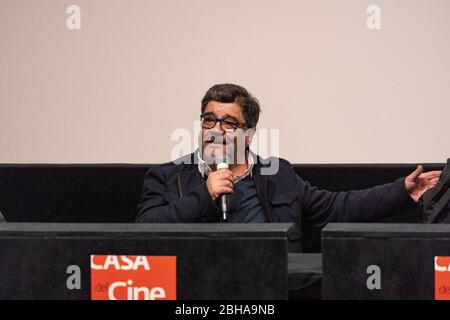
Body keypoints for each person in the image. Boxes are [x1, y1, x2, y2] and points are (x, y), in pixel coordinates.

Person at [136, 83, 442, 250]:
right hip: (195, 289)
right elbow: (143, 231)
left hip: (269, 286)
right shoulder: (168, 175)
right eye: (209, 119)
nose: (217, 129)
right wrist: (204, 194)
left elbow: (339, 207)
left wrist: (401, 191)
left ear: (249, 133)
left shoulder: (277, 174)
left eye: (229, 122)